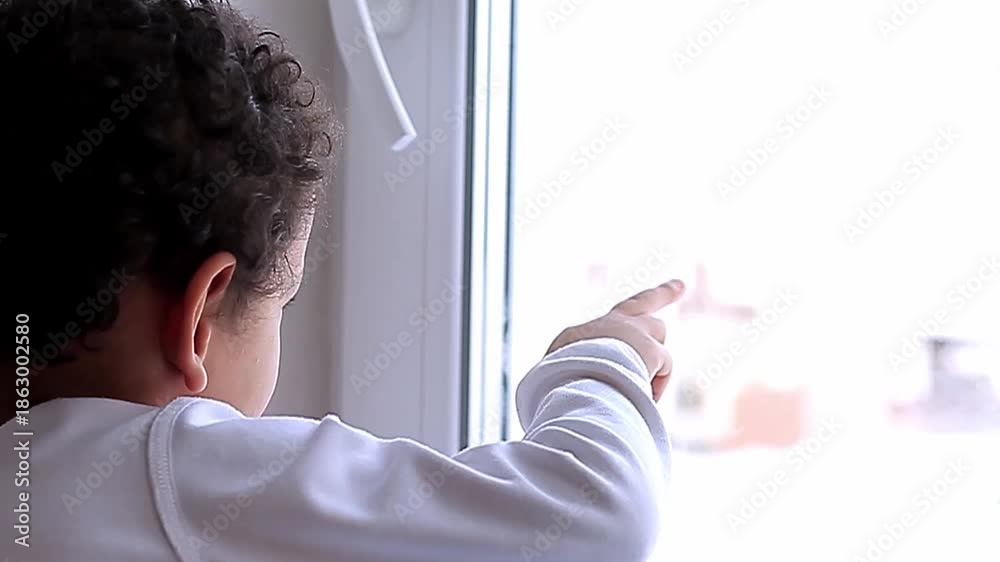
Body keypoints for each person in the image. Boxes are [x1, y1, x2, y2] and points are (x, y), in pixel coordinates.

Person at [0, 1, 684, 560]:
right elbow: (597, 515)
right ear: (199, 318)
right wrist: (595, 363)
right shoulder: (174, 469)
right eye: (284, 302)